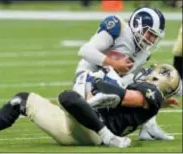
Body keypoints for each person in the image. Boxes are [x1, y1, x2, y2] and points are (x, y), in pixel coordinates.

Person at [0, 64, 181, 148]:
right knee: (21, 100)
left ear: (157, 81)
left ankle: (109, 137)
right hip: (80, 127)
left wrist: (99, 81)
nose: (146, 72)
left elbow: (122, 95)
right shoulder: (152, 100)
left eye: (152, 73)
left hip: (95, 129)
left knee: (68, 97)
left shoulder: (149, 95)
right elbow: (138, 103)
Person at [73, 6, 172, 140]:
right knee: (119, 78)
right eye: (150, 33)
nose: (152, 40)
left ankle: (148, 127)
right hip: (88, 80)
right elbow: (85, 51)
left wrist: (156, 98)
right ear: (137, 25)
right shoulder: (118, 27)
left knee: (150, 82)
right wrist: (113, 63)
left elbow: (132, 80)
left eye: (155, 36)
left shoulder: (145, 52)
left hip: (112, 85)